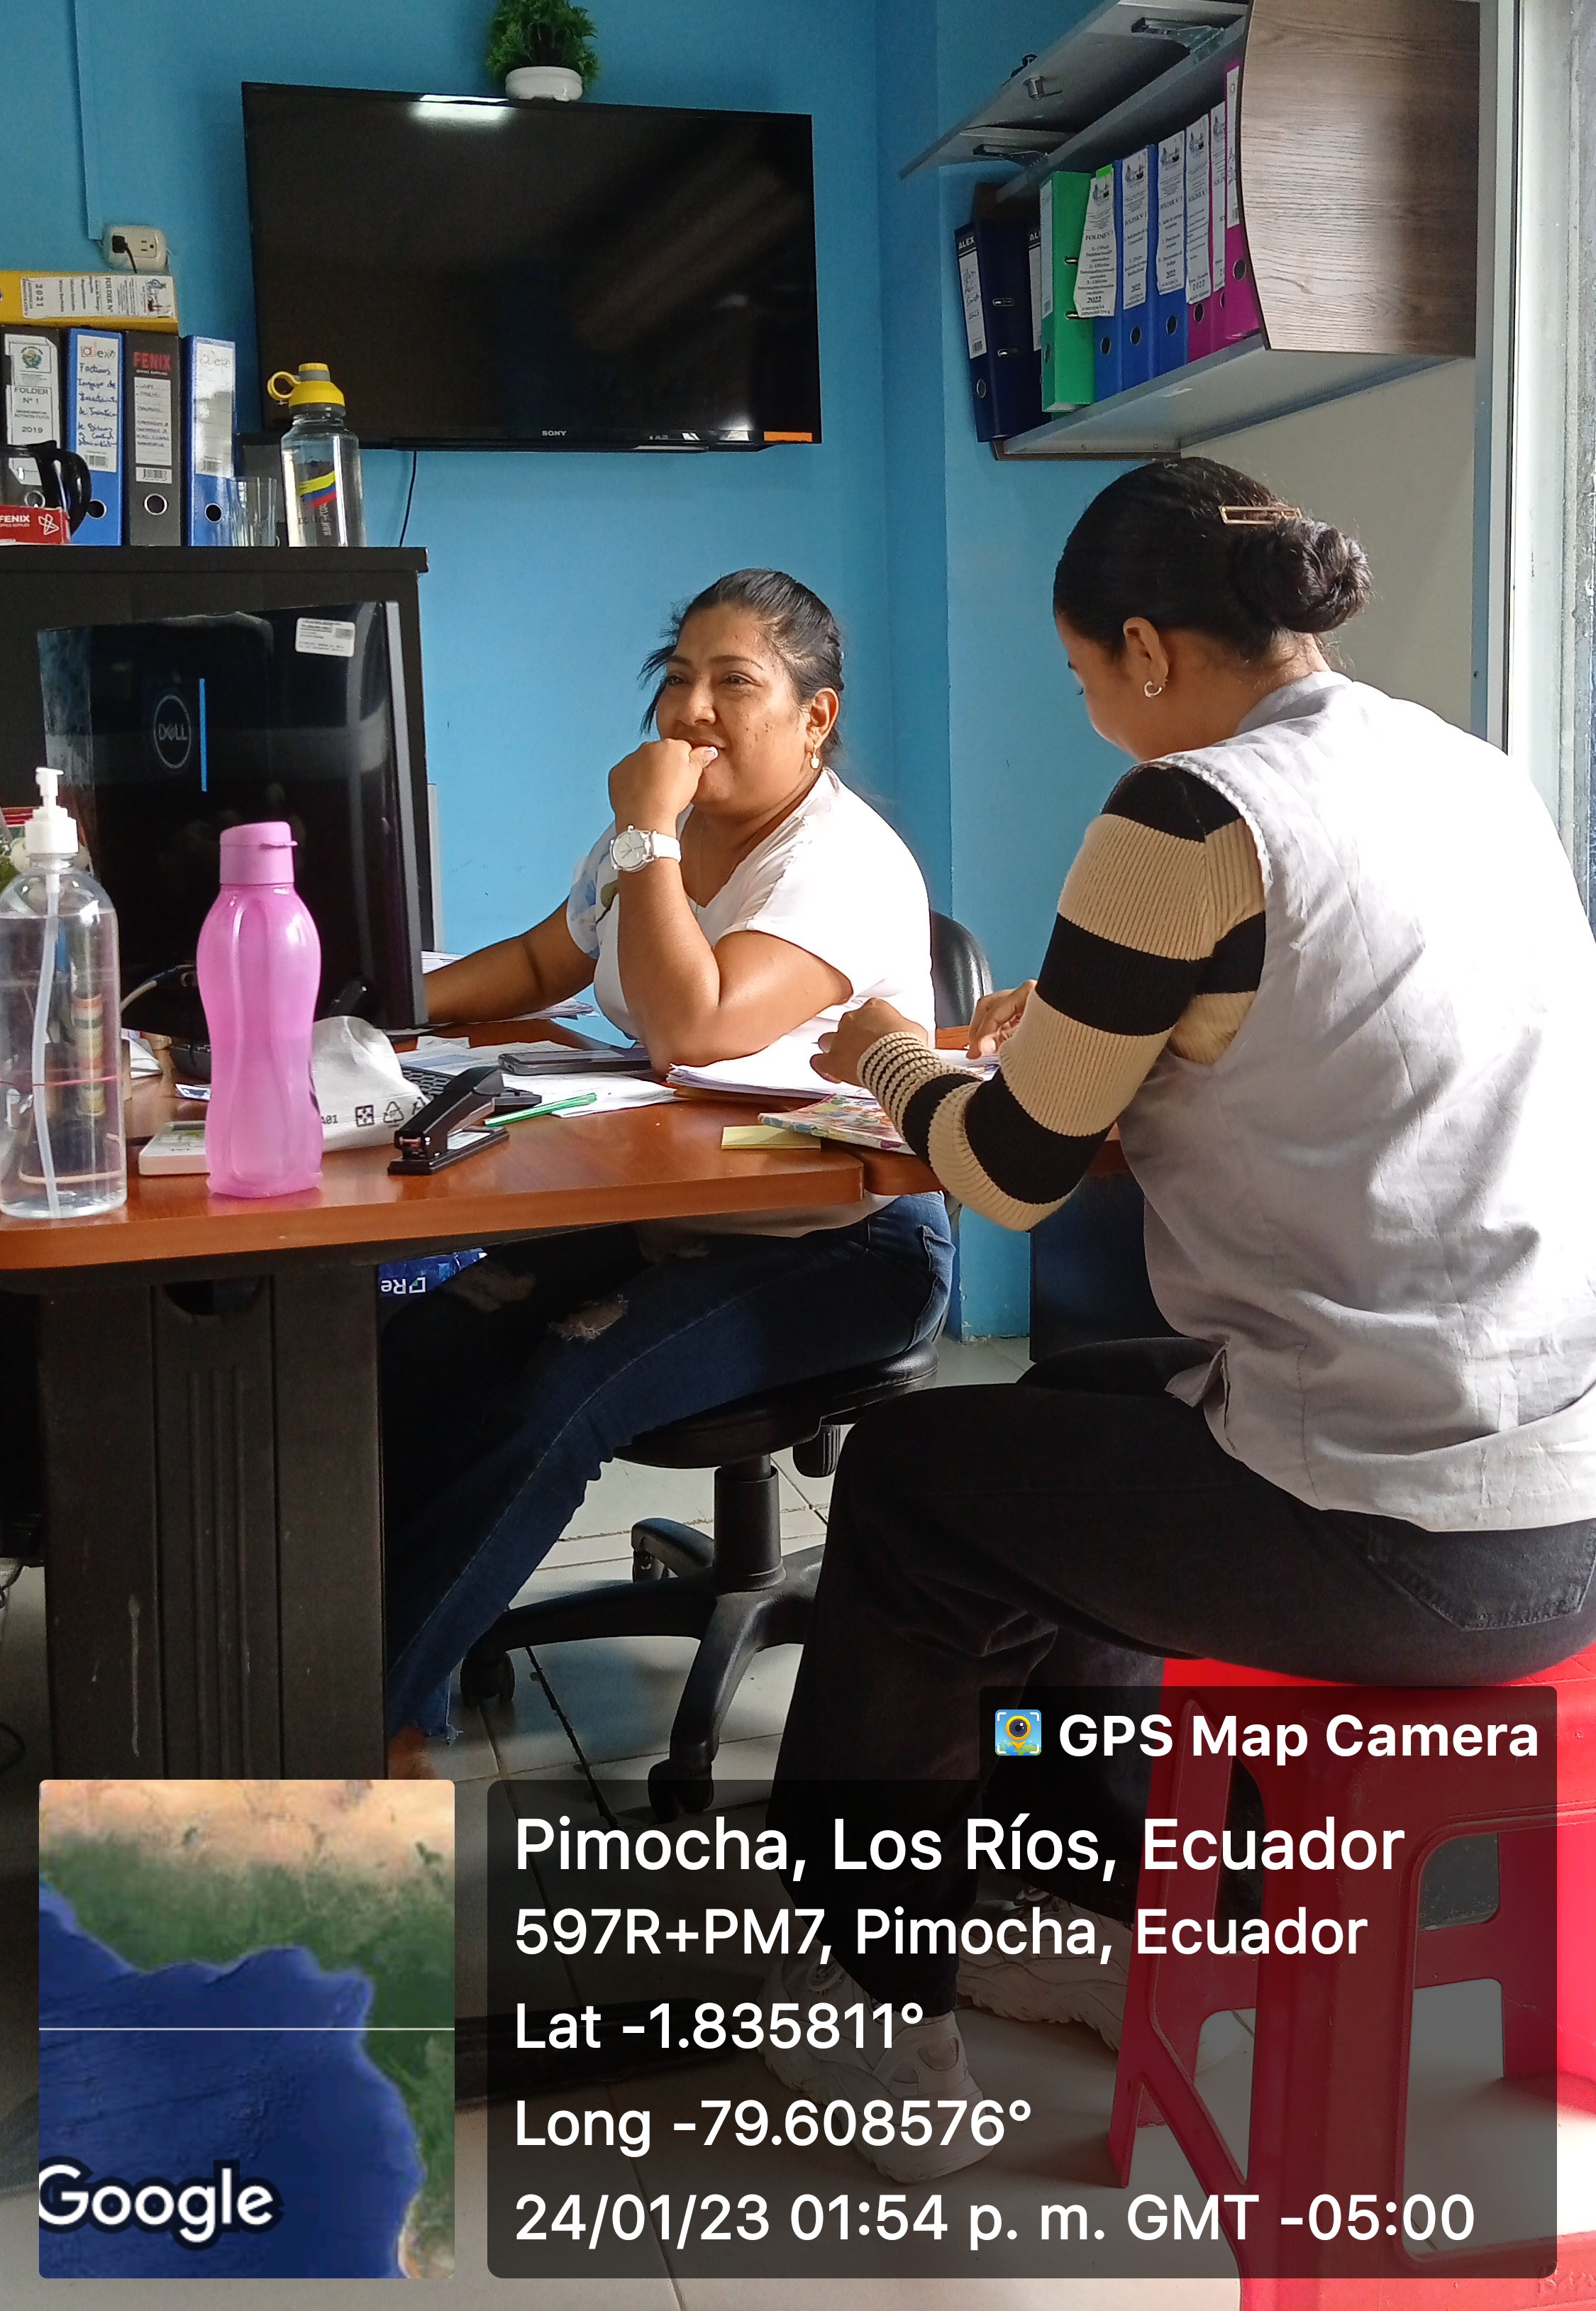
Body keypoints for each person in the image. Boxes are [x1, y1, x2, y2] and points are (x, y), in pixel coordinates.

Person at [759, 455, 1596, 2172]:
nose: (1092, 713)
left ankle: (876, 1975)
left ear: (1145, 648)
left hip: (1406, 1536)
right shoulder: (1474, 769)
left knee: (913, 1482)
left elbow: (1010, 1167)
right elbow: (1352, 1032)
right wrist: (1089, 1026)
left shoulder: (1187, 813)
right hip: (1565, 1485)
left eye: (1084, 678)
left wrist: (891, 1053)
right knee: (1088, 1409)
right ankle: (1095, 1897)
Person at [381, 568, 953, 1765]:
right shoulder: (657, 836)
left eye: (732, 682)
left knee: (560, 1390)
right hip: (677, 1213)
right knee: (423, 1349)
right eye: (677, 678)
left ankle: (363, 1720)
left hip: (840, 1242)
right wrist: (368, 1005)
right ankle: (393, 1678)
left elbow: (694, 1028)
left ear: (814, 715)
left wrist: (648, 834)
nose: (691, 709)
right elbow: (540, 963)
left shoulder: (834, 862)